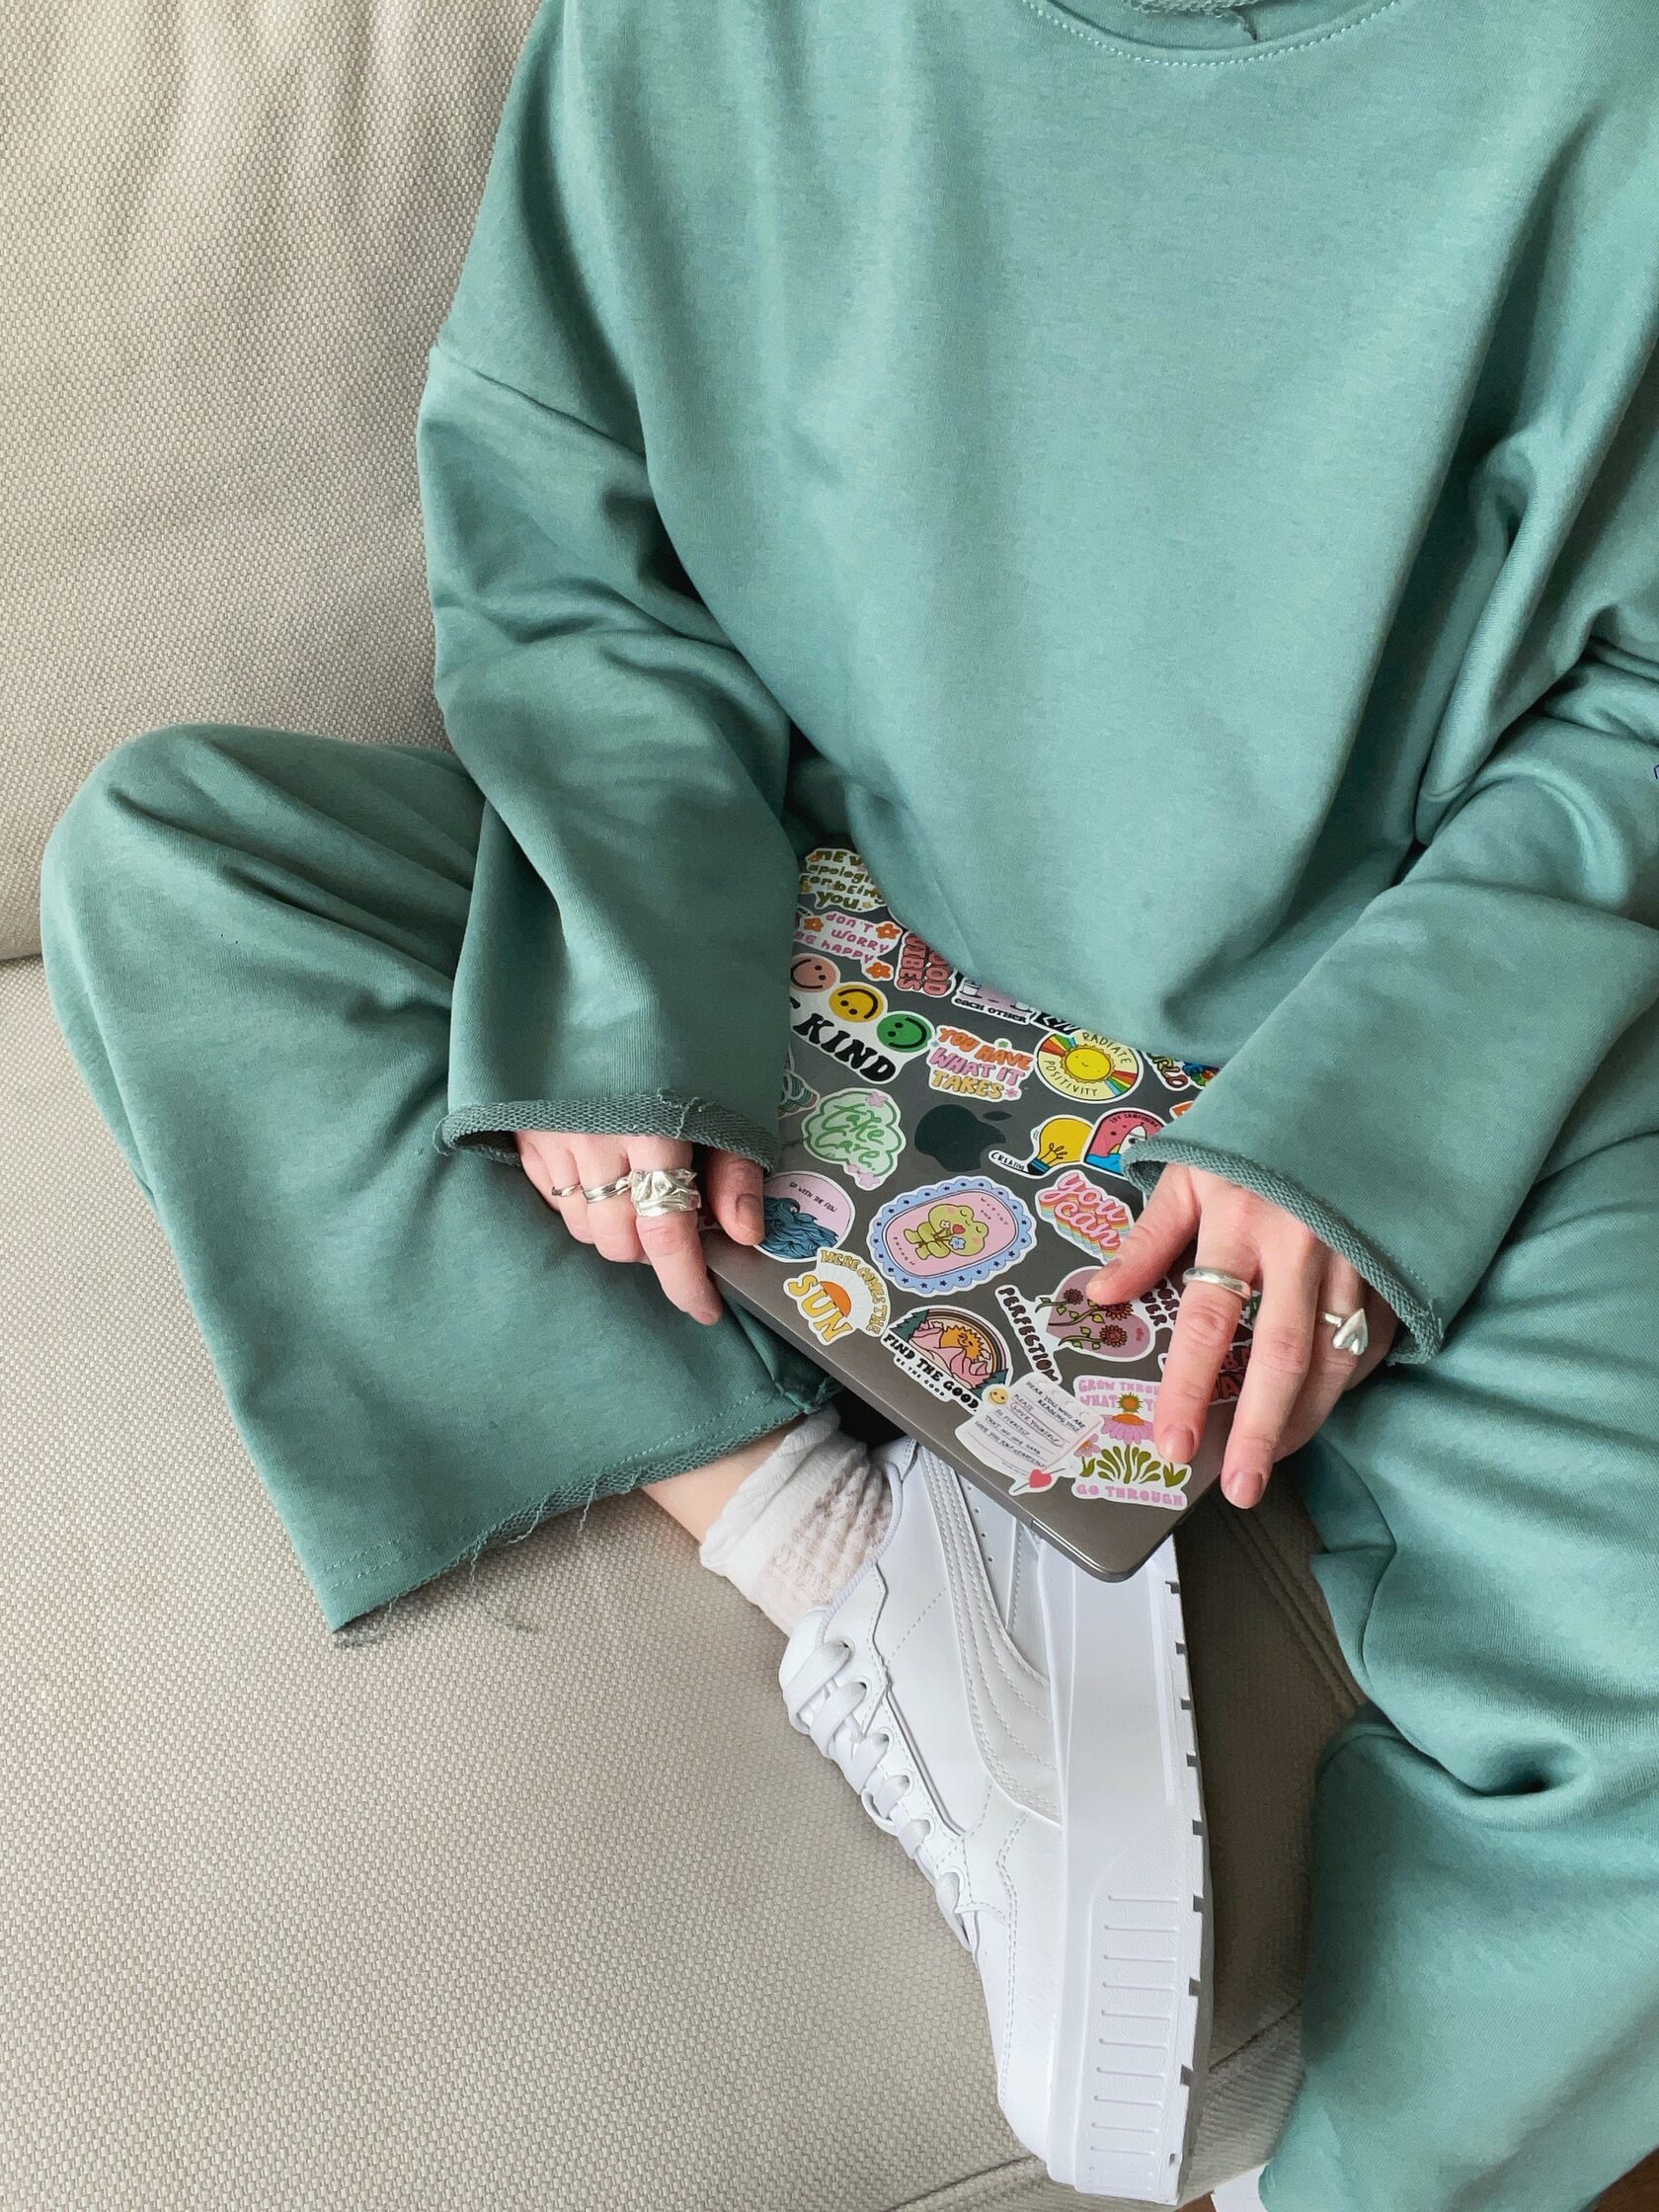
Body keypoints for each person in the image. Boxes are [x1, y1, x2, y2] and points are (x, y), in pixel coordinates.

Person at [36, 0, 1659, 2205]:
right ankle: (871, 1573)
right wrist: (637, 978)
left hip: (1392, 1020)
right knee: (174, 861)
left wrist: (1376, 1123)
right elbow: (567, 548)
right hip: (824, 949)